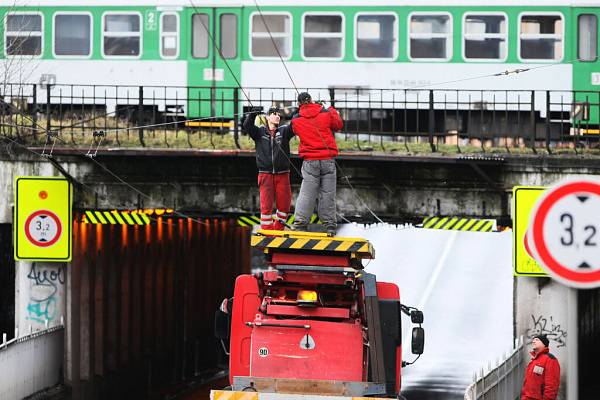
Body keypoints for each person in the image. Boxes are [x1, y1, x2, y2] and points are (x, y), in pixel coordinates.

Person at [290, 92, 343, 235]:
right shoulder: (325, 113)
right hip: (327, 160)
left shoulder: (296, 120)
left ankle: (300, 224)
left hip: (310, 161)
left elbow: (294, 128)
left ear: (299, 103)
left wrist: (298, 111)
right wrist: (329, 108)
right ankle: (330, 226)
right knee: (328, 194)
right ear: (312, 100)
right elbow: (338, 125)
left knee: (307, 194)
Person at [243, 107, 294, 230]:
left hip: (283, 174)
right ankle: (267, 231)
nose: (277, 116)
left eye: (278, 115)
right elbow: (247, 126)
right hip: (265, 174)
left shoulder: (284, 131)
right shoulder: (259, 132)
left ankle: (278, 229)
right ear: (267, 117)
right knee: (266, 206)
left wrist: (298, 112)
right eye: (274, 114)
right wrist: (252, 114)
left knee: (285, 205)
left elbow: (295, 126)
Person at [521, 334, 560, 400]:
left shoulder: (550, 360)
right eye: (533, 340)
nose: (533, 341)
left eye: (537, 340)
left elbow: (552, 385)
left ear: (544, 344)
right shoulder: (533, 360)